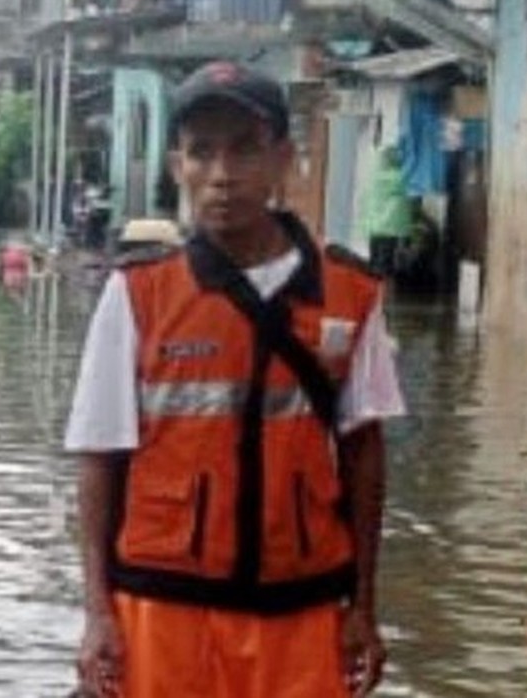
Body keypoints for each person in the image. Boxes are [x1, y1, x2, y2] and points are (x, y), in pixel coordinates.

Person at [65, 61, 406, 698]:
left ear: (283, 159)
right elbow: (99, 456)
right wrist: (97, 613)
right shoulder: (138, 292)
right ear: (177, 167)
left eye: (245, 150)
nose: (223, 175)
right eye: (202, 153)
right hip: (161, 606)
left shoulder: (351, 294)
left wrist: (362, 606)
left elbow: (365, 454)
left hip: (301, 610)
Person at [362, 146, 413, 278]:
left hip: (374, 227)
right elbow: (411, 181)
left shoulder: (372, 177)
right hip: (389, 228)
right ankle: (383, 294)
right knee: (385, 266)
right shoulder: (398, 178)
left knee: (374, 262)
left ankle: (372, 291)